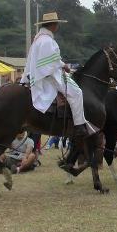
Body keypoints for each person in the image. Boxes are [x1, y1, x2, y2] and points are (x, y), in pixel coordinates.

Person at [21, 12, 98, 140]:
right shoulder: (48, 41)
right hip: (48, 76)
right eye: (57, 24)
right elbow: (52, 63)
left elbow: (48, 60)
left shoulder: (38, 40)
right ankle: (79, 125)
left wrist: (61, 64)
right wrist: (64, 65)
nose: (57, 26)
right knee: (77, 92)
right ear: (53, 25)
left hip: (39, 75)